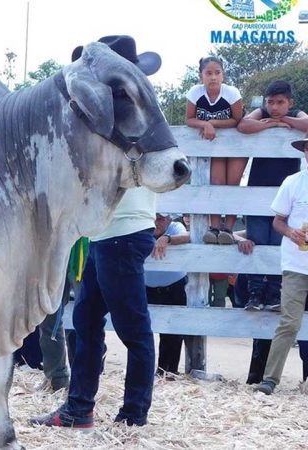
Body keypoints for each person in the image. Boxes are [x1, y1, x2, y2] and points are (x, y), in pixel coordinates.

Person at [32, 35, 161, 429]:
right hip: (106, 233)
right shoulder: (108, 118)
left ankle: (133, 416)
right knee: (85, 322)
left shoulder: (134, 119)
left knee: (131, 327)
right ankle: (79, 409)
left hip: (123, 230)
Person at [237, 80, 308, 311]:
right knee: (257, 240)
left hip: (286, 192)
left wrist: (283, 120)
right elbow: (243, 125)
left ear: (290, 102)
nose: (274, 107)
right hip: (258, 191)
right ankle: (255, 294)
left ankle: (274, 294)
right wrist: (269, 124)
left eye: (280, 102)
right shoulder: (263, 113)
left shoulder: (295, 114)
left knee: (279, 244)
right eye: (270, 102)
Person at [253, 134, 308, 395]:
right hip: (296, 263)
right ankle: (270, 379)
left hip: (297, 261)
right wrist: (290, 233)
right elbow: (278, 222)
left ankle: (271, 380)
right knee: (289, 322)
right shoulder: (293, 182)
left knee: (289, 322)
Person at [185, 56, 244, 245]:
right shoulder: (195, 92)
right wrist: (203, 123)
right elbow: (189, 119)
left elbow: (237, 120)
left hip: (235, 145)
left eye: (217, 73)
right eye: (208, 73)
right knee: (216, 183)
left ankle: (229, 228)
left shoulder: (232, 93)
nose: (213, 77)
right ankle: (216, 227)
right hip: (214, 146)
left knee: (232, 185)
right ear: (201, 75)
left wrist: (212, 123)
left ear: (223, 75)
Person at [144, 213, 190, 376]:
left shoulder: (175, 227)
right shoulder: (144, 226)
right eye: (155, 218)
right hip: (146, 287)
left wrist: (167, 238)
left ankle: (167, 372)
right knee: (142, 331)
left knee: (173, 333)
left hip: (174, 286)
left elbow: (187, 236)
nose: (157, 222)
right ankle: (145, 371)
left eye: (161, 219)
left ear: (170, 220)